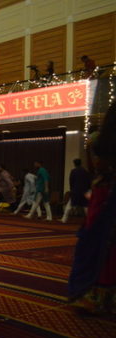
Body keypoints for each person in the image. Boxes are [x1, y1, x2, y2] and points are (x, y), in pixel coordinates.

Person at [68, 103, 116, 315]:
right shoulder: (101, 143)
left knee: (97, 244)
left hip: (101, 196)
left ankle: (92, 294)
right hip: (105, 198)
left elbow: (95, 169)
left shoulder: (97, 141)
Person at [61, 158, 92, 223]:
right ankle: (90, 220)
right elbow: (89, 181)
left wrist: (72, 189)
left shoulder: (73, 171)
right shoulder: (85, 171)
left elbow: (71, 181)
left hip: (76, 190)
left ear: (74, 164)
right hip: (85, 191)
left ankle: (64, 219)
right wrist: (88, 190)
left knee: (69, 205)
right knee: (86, 206)